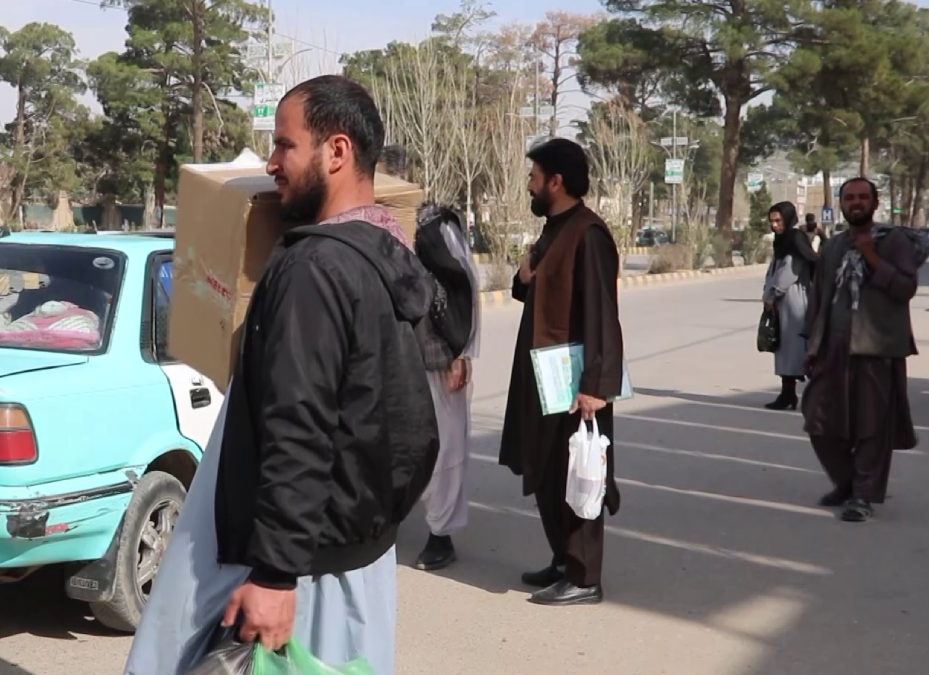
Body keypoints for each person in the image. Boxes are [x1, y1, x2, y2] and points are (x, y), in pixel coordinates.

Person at [124, 75, 439, 675]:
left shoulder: (315, 268)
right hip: (355, 558)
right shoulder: (383, 253)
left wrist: (274, 575)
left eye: (284, 146)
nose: (271, 163)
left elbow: (301, 426)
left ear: (337, 151)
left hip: (302, 565)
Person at [498, 138, 625, 606]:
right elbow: (532, 290)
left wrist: (596, 387)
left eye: (534, 177)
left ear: (556, 181)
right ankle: (562, 557)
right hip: (543, 378)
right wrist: (524, 276)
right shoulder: (553, 228)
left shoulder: (588, 234)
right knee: (549, 471)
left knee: (580, 473)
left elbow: (601, 315)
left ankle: (585, 577)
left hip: (576, 383)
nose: (529, 185)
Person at [377, 145, 481, 571]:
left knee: (445, 447)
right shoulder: (370, 224)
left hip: (439, 356)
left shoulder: (435, 227)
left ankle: (442, 534)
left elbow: (466, 287)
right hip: (389, 355)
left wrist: (463, 352)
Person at [801, 177, 928, 522]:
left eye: (862, 197)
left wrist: (872, 257)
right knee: (818, 419)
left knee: (871, 424)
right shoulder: (834, 246)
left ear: (875, 202)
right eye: (849, 198)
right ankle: (846, 482)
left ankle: (863, 495)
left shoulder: (894, 241)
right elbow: (819, 298)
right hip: (834, 346)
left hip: (876, 346)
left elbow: (905, 288)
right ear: (841, 204)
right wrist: (812, 345)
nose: (855, 202)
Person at [762, 202, 818, 410]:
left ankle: (801, 396)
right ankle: (788, 394)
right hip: (784, 302)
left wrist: (772, 295)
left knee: (795, 352)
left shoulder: (795, 240)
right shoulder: (782, 241)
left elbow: (788, 272)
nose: (775, 225)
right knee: (786, 350)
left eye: (778, 220)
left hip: (793, 301)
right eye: (772, 221)